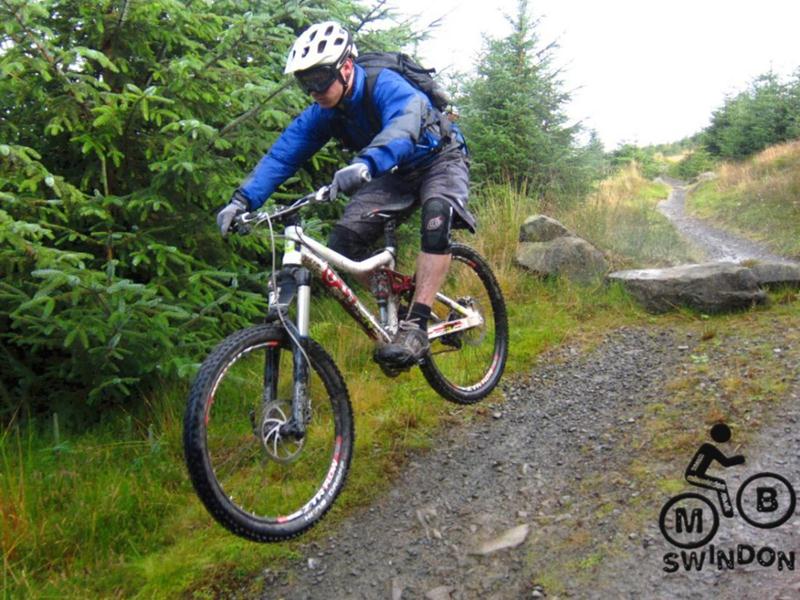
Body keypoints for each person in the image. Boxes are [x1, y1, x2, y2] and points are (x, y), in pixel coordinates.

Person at [216, 21, 475, 370]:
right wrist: (242, 201)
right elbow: (283, 155)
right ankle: (398, 299)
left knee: (437, 215)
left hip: (440, 158)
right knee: (343, 243)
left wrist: (366, 162)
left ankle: (417, 324)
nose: (314, 90)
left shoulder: (383, 81)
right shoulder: (324, 113)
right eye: (305, 82)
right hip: (392, 172)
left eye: (320, 78)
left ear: (346, 66)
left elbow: (405, 122)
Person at [684, 423, 745, 518]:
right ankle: (727, 512)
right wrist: (740, 459)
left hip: (694, 475)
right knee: (720, 485)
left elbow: (725, 462)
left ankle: (727, 511)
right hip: (694, 476)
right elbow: (726, 462)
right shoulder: (709, 448)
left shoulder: (707, 447)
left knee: (720, 484)